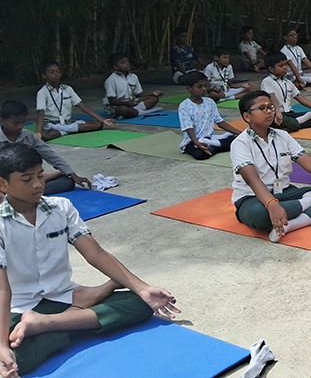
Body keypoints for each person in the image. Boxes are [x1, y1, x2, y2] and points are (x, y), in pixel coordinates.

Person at [0, 145, 180, 376]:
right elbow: (3, 289)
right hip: (17, 306)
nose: (37, 184)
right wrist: (2, 345)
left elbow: (95, 253)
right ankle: (75, 315)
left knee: (142, 303)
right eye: (27, 179)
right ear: (3, 184)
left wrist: (143, 288)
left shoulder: (61, 208)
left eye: (40, 175)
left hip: (63, 294)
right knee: (16, 358)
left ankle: (48, 323)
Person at [230, 91, 311, 242]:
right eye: (262, 108)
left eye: (270, 107)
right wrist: (271, 204)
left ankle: (292, 224)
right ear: (247, 116)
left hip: (285, 192)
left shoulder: (282, 136)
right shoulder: (240, 143)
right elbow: (252, 179)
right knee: (259, 215)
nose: (269, 111)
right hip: (252, 198)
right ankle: (309, 202)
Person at [0, 100, 91, 194]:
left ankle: (22, 192)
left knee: (67, 182)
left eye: (23, 122)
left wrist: (72, 174)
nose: (20, 126)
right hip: (4, 182)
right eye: (15, 123)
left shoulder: (29, 136)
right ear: (2, 121)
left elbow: (50, 155)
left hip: (27, 178)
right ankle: (24, 191)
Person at [35, 62, 114, 142]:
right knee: (44, 135)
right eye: (51, 72)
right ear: (44, 76)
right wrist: (38, 131)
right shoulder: (42, 92)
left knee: (98, 124)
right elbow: (41, 112)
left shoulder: (67, 89)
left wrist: (102, 120)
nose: (56, 74)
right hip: (52, 124)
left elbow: (82, 105)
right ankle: (70, 129)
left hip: (68, 122)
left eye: (58, 71)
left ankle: (64, 131)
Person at [176, 72, 241, 159]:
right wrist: (196, 142)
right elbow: (188, 127)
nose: (204, 89)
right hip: (192, 141)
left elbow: (220, 122)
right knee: (200, 154)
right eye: (199, 87)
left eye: (205, 86)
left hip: (209, 138)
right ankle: (217, 143)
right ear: (189, 88)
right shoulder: (184, 106)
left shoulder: (209, 102)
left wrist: (240, 133)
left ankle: (215, 143)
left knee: (237, 141)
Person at [260, 53, 311, 132]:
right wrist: (278, 112)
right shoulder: (267, 81)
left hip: (289, 114)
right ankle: (296, 123)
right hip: (275, 114)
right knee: (287, 122)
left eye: (285, 65)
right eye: (281, 66)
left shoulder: (288, 82)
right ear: (271, 69)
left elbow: (302, 99)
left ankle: (293, 124)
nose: (285, 67)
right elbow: (272, 97)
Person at [102, 53, 163, 119]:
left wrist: (153, 93)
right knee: (123, 110)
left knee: (154, 98)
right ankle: (142, 112)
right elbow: (112, 101)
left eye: (127, 62)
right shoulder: (111, 80)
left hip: (132, 103)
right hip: (117, 105)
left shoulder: (133, 76)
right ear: (115, 67)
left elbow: (138, 94)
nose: (127, 64)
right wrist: (126, 103)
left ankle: (134, 112)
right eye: (123, 62)